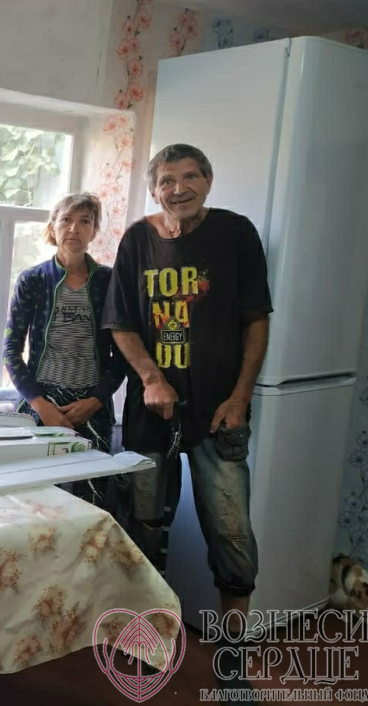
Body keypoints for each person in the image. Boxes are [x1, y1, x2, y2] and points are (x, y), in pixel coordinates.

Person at [101, 144, 271, 694]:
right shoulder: (138, 240)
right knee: (146, 528)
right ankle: (148, 640)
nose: (180, 189)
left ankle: (232, 664)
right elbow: (121, 323)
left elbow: (256, 320)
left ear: (208, 181)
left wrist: (240, 398)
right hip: (152, 417)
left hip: (221, 415)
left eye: (191, 176)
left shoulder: (236, 234)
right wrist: (152, 377)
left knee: (232, 536)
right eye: (167, 180)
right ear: (154, 190)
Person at [4, 192, 127, 510]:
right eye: (66, 220)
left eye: (85, 221)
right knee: (34, 501)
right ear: (53, 227)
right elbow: (11, 351)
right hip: (41, 403)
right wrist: (41, 405)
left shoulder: (109, 281)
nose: (74, 228)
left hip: (93, 405)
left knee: (91, 503)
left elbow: (122, 355)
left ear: (94, 231)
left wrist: (95, 400)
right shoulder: (32, 281)